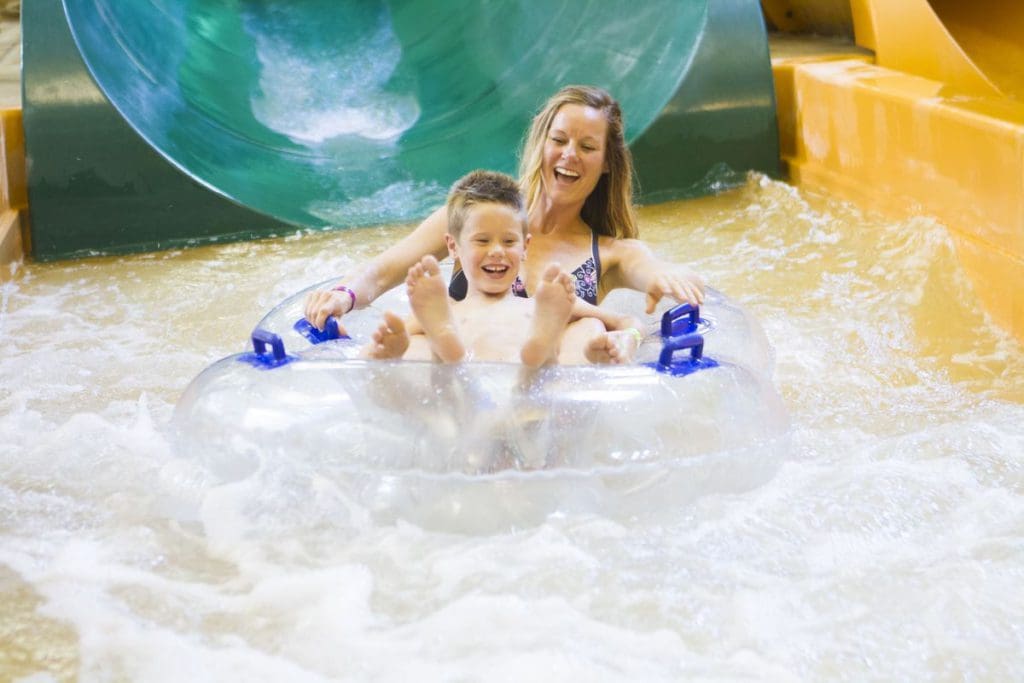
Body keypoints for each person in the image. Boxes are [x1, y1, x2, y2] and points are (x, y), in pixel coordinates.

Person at [304, 85, 705, 357]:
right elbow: (383, 270)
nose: (569, 156)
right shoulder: (476, 214)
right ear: (542, 143)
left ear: (606, 164)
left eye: (587, 147)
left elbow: (651, 268)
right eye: (559, 140)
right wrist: (344, 295)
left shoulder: (614, 253)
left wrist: (667, 277)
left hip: (542, 397)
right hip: (460, 379)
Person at [363, 170, 628, 366]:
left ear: (525, 247)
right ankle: (448, 353)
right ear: (453, 247)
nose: (497, 251)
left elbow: (627, 323)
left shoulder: (545, 306)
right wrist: (382, 351)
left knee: (588, 326)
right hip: (468, 408)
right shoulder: (442, 312)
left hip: (529, 404)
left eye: (509, 241)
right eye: (482, 240)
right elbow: (363, 354)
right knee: (418, 345)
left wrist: (624, 342)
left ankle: (542, 356)